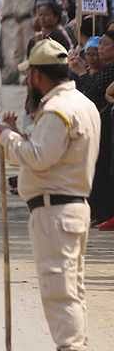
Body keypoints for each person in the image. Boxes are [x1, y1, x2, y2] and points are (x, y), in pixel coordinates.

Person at [0, 38, 101, 350]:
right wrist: (23, 136)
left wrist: (7, 138)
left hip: (56, 212)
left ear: (38, 76)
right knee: (72, 287)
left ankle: (70, 347)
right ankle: (75, 344)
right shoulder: (83, 104)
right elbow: (57, 152)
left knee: (59, 289)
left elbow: (40, 157)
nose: (28, 80)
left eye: (30, 74)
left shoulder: (57, 110)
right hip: (73, 207)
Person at [69, 30, 114, 231]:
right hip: (98, 125)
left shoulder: (110, 71)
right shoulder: (103, 70)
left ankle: (104, 211)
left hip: (106, 126)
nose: (101, 49)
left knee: (104, 170)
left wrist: (81, 74)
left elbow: (93, 93)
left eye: (105, 45)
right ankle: (97, 211)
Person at [16, 0, 46, 74]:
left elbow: (33, 2)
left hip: (29, 18)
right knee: (19, 48)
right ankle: (20, 73)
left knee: (29, 47)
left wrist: (24, 13)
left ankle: (28, 74)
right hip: (20, 19)